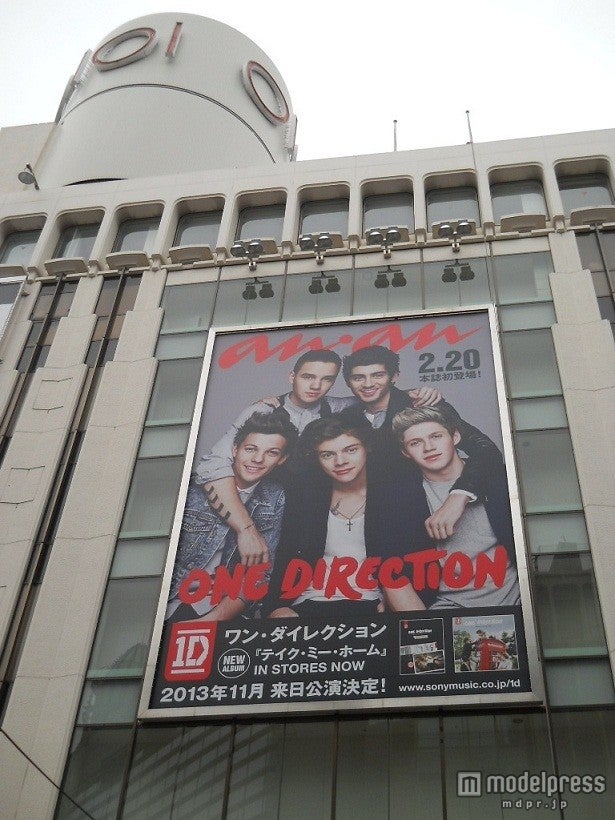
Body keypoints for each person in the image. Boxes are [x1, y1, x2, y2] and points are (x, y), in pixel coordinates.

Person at [193, 350, 351, 570]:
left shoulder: (336, 407)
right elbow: (213, 465)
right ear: (292, 376)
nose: (316, 386)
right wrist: (245, 528)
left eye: (326, 379)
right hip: (260, 511)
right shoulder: (263, 410)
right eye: (308, 377)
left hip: (309, 516)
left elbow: (377, 397)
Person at [340, 345, 505, 540]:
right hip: (380, 515)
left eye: (378, 375)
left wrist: (460, 493)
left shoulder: (422, 402)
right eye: (358, 377)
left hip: (433, 504)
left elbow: (485, 449)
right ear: (348, 382)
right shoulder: (346, 418)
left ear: (394, 377)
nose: (368, 384)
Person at [264, 417, 426, 618]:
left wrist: (393, 596)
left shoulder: (393, 496)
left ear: (367, 447)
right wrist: (276, 606)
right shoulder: (306, 498)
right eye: (327, 454)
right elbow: (285, 556)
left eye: (351, 450)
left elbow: (418, 559)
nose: (340, 461)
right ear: (316, 458)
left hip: (371, 602)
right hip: (308, 601)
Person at [166, 413, 298, 622]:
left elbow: (259, 577)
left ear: (282, 459)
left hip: (221, 608)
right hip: (170, 602)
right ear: (235, 449)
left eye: (271, 453)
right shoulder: (193, 489)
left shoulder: (274, 496)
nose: (258, 459)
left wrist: (209, 622)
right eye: (250, 449)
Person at [387, 406, 520, 609]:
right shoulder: (403, 500)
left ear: (455, 437)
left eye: (436, 436)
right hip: (448, 608)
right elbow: (394, 570)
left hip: (516, 601)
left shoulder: (498, 480)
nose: (428, 447)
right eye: (415, 443)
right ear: (405, 452)